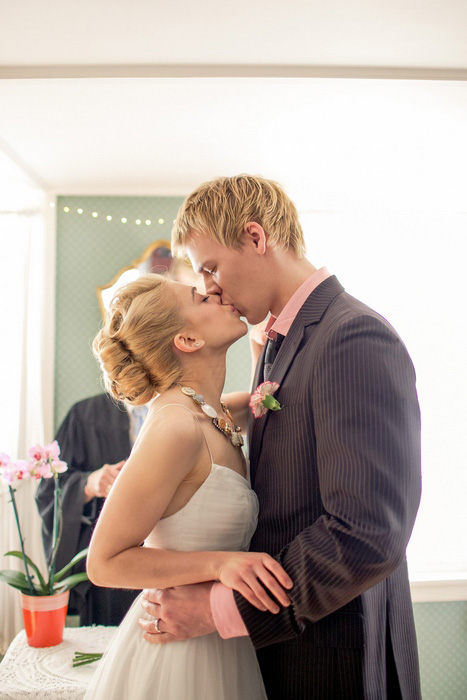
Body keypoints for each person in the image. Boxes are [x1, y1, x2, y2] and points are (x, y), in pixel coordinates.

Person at [139, 175, 423, 700]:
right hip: (293, 649)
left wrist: (221, 608)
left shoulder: (352, 337)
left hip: (336, 654)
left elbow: (367, 530)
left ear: (255, 236)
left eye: (211, 267)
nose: (210, 287)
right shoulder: (278, 341)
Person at [83, 273, 292, 700]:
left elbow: (260, 393)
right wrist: (220, 565)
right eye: (201, 297)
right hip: (176, 659)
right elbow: (104, 563)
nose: (215, 291)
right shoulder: (175, 426)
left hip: (221, 639)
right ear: (189, 340)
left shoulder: (216, 413)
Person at [35, 393, 143, 625]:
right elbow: (49, 490)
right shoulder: (84, 415)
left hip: (169, 559)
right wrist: (89, 484)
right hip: (112, 568)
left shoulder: (179, 410)